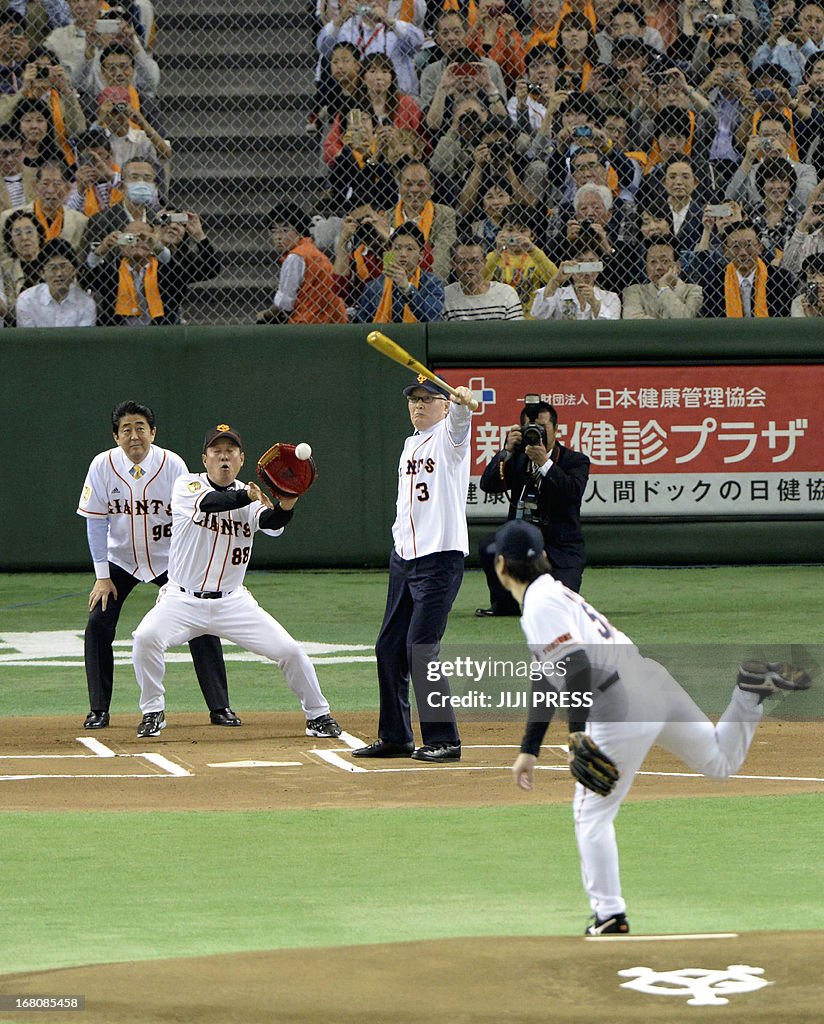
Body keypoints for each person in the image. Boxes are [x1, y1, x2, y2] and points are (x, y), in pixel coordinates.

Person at [497, 518, 812, 935]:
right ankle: (749, 694)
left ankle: (609, 915)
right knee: (719, 762)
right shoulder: (556, 593)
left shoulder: (539, 606)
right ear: (545, 558)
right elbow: (548, 678)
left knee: (591, 816)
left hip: (620, 707)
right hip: (651, 681)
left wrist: (577, 735)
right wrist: (529, 748)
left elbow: (575, 667)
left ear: (501, 566)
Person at [131, 422, 342, 741]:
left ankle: (318, 715)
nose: (223, 457)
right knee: (145, 638)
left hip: (233, 603)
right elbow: (212, 504)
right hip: (182, 600)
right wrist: (248, 495)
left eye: (230, 451)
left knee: (290, 651)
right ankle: (153, 711)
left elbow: (273, 524)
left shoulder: (251, 497)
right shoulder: (188, 486)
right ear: (205, 459)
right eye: (217, 451)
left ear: (242, 459)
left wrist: (287, 502)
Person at [77, 401, 237, 731]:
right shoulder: (102, 465)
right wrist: (102, 577)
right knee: (98, 623)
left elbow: (197, 514)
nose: (134, 435)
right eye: (126, 429)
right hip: (121, 560)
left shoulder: (172, 465)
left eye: (140, 428)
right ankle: (98, 710)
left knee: (200, 621)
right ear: (115, 436)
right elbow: (95, 522)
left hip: (172, 560)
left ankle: (220, 707)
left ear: (153, 432)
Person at [352, 377, 475, 762]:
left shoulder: (448, 438)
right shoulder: (409, 445)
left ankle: (445, 740)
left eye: (427, 399)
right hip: (404, 558)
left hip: (439, 558)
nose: (418, 405)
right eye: (413, 399)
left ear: (442, 405)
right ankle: (395, 737)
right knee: (388, 647)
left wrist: (461, 404)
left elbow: (459, 423)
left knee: (420, 647)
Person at [477, 398, 588, 618]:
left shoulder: (575, 461)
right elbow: (488, 485)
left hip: (560, 546)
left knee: (557, 607)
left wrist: (545, 463)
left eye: (542, 428)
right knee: (489, 546)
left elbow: (572, 492)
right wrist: (506, 452)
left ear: (556, 429)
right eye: (531, 429)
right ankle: (505, 606)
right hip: (521, 540)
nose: (536, 434)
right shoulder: (516, 458)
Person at [255, 202, 347, 325]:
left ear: (299, 231)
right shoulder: (310, 250)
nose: (278, 237)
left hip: (309, 321)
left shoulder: (296, 256)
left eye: (285, 230)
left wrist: (266, 314)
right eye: (274, 231)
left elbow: (285, 302)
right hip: (331, 318)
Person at [686, 220, 797, 317]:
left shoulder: (780, 279)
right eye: (735, 247)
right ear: (726, 251)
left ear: (759, 247)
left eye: (749, 245)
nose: (743, 253)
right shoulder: (714, 282)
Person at [356, 221, 445, 322]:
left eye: (410, 249)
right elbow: (363, 325)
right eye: (397, 248)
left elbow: (432, 316)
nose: (403, 254)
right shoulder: (373, 287)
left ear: (421, 255)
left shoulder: (433, 283)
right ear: (390, 252)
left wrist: (407, 289)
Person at [0, 160, 88, 259]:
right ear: (35, 186)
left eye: (57, 184)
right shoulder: (9, 218)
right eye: (45, 184)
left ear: (68, 188)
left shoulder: (80, 221)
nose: (50, 190)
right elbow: (4, 259)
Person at [15, 235, 96, 326]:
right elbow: (28, 339)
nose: (59, 274)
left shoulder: (86, 303)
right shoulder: (27, 301)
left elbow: (83, 339)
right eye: (53, 268)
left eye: (64, 266)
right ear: (42, 273)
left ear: (74, 270)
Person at [531, 245, 621, 319]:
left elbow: (611, 327)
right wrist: (556, 280)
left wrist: (594, 303)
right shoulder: (557, 294)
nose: (586, 268)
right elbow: (538, 314)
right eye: (580, 262)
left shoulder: (610, 297)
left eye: (591, 262)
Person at [622, 238, 704, 318]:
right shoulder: (634, 291)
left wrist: (664, 288)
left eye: (664, 261)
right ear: (646, 267)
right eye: (653, 262)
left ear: (677, 266)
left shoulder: (693, 291)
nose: (658, 267)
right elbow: (633, 320)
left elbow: (684, 320)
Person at [444, 238, 524, 320]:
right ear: (453, 264)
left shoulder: (506, 293)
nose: (469, 268)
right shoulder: (445, 296)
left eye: (476, 261)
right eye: (462, 262)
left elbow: (516, 331)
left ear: (484, 262)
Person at [0, 123, 35, 211]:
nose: (9, 159)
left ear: (25, 150)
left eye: (15, 152)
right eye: (3, 153)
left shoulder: (37, 176)